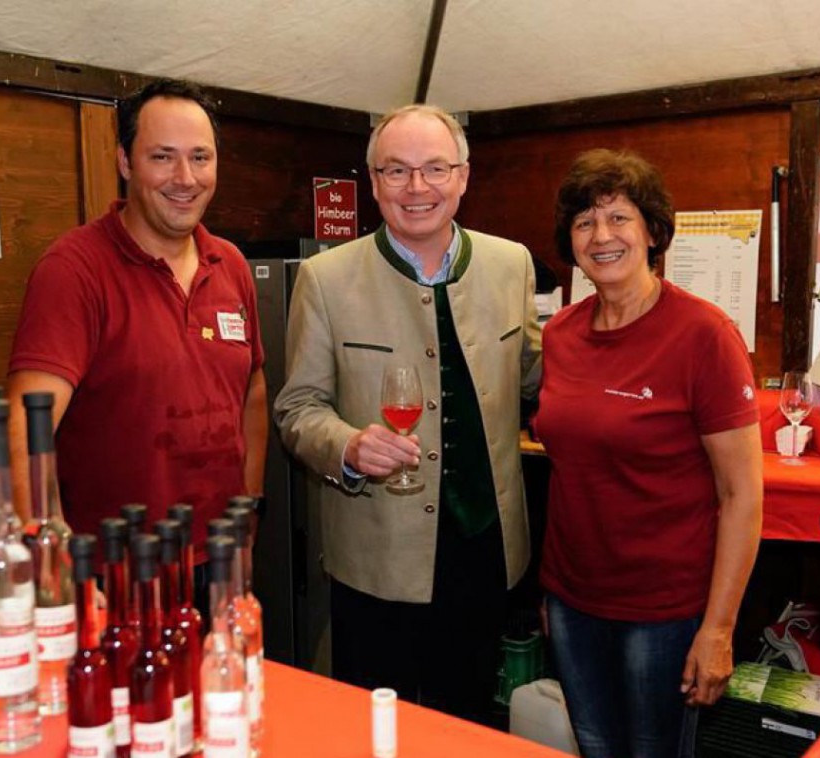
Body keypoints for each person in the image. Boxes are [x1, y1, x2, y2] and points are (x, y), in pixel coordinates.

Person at [274, 104, 542, 724]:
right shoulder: (325, 279)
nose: (417, 188)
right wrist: (345, 445)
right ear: (372, 183)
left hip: (486, 551)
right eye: (396, 171)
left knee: (468, 720)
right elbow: (297, 409)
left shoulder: (512, 265)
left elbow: (535, 379)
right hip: (376, 560)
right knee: (378, 729)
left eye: (434, 169)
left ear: (464, 177)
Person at [534, 149, 762, 758]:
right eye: (585, 222)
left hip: (663, 614)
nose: (601, 236)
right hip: (573, 600)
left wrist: (718, 628)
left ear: (653, 232)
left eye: (618, 218)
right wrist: (551, 594)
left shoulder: (704, 334)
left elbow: (742, 496)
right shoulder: (559, 333)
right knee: (594, 746)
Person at [7, 79, 268, 561]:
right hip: (117, 570)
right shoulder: (74, 269)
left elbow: (252, 388)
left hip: (220, 557)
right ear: (125, 161)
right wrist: (55, 562)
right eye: (163, 156)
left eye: (201, 157)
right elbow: (25, 429)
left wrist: (248, 512)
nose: (185, 177)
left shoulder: (229, 264)